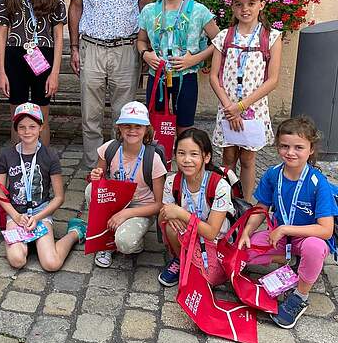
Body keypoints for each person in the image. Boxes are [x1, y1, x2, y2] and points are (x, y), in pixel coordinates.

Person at [68, 0, 157, 168]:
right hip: (91, 47)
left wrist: (145, 47)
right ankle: (96, 168)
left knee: (124, 116)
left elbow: (147, 6)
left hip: (127, 48)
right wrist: (74, 47)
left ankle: (120, 166)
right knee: (90, 116)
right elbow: (75, 6)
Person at [238, 117, 335, 329]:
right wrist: (246, 232)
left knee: (314, 248)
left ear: (310, 150)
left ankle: (300, 296)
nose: (290, 152)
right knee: (247, 251)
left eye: (298, 147)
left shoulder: (319, 184)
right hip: (281, 239)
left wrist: (284, 228)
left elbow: (326, 230)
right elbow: (261, 208)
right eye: (284, 146)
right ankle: (291, 261)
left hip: (307, 237)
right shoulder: (273, 175)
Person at [209, 0, 282, 198]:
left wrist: (241, 106)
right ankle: (226, 202)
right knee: (228, 158)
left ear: (262, 4)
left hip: (253, 108)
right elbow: (214, 76)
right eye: (239, 4)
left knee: (248, 159)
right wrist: (230, 107)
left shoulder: (271, 36)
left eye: (251, 3)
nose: (245, 9)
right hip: (227, 107)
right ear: (232, 7)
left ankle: (246, 203)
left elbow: (273, 79)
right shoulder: (224, 36)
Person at [0, 103, 87, 271]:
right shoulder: (6, 155)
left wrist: (37, 218)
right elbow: (0, 191)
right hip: (16, 214)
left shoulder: (50, 155)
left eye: (32, 126)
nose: (27, 131)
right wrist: (15, 216)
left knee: (51, 264)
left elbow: (59, 197)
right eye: (21, 127)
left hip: (40, 213)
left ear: (41, 127)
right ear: (16, 129)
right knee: (17, 260)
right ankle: (27, 244)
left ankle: (74, 233)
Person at [0, 0, 66, 145]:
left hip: (43, 57)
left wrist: (55, 73)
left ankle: (41, 165)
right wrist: (1, 71)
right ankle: (17, 166)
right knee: (17, 115)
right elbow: (1, 34)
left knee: (40, 115)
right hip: (14, 56)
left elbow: (59, 35)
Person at [137, 0, 220, 136]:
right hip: (157, 76)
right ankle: (159, 160)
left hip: (186, 76)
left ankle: (183, 159)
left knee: (184, 125)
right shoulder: (150, 11)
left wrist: (195, 59)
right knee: (157, 124)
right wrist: (145, 54)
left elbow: (220, 41)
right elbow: (141, 41)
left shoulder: (199, 11)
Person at [87, 101, 167, 268]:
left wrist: (126, 214)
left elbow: (159, 204)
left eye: (138, 126)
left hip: (140, 207)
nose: (132, 130)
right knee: (90, 191)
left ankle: (131, 240)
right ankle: (105, 241)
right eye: (127, 126)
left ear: (146, 129)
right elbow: (97, 182)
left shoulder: (154, 159)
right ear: (119, 128)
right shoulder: (109, 149)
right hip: (115, 201)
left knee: (126, 243)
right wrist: (95, 176)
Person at [158, 128, 236, 287]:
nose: (186, 160)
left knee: (209, 280)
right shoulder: (173, 182)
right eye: (181, 153)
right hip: (190, 231)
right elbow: (162, 217)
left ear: (206, 157)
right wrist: (169, 215)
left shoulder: (219, 185)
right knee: (170, 225)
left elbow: (211, 231)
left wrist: (179, 212)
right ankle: (181, 259)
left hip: (216, 239)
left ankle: (198, 260)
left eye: (194, 154)